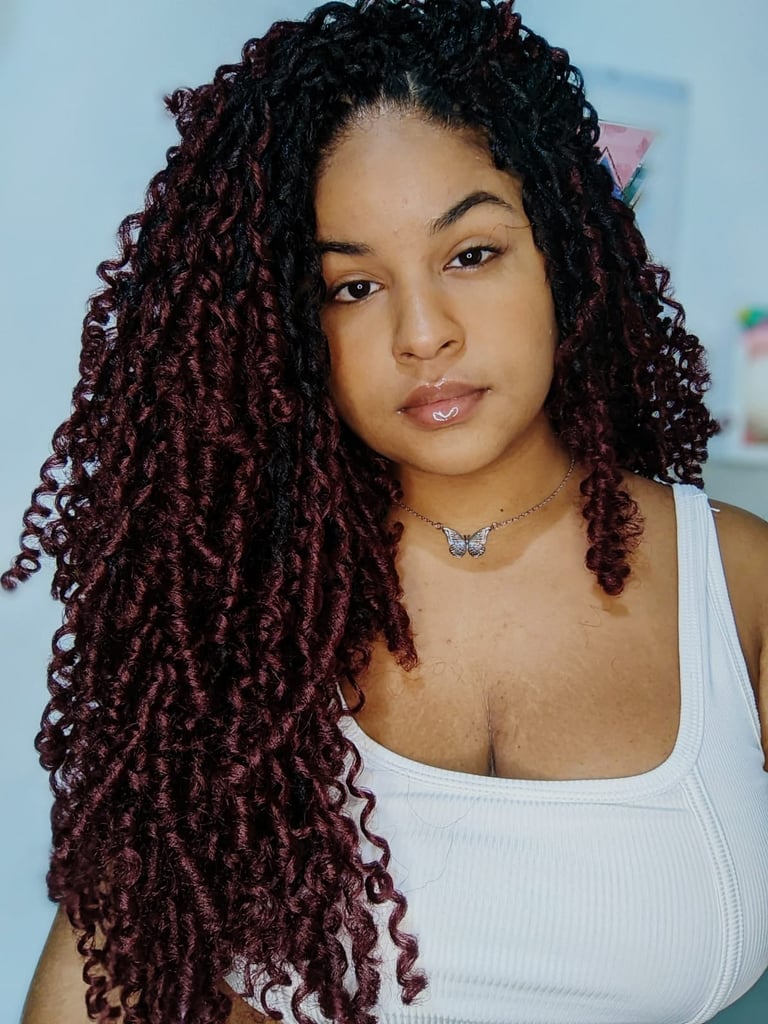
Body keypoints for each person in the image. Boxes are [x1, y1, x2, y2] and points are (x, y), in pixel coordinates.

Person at [7, 0, 768, 1021]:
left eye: (471, 254)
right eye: (353, 286)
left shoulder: (739, 586)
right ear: (285, 326)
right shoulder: (228, 616)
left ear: (566, 251)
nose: (422, 333)